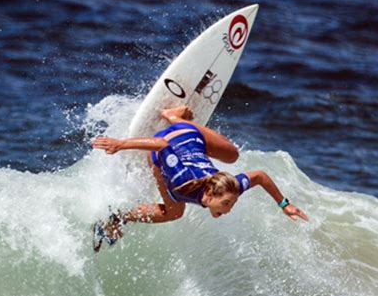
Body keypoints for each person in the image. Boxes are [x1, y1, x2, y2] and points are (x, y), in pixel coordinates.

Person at [91, 106, 308, 250]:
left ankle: (120, 217)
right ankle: (173, 116)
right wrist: (121, 144)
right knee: (176, 207)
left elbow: (260, 176)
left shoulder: (229, 187)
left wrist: (284, 204)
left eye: (231, 204)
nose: (229, 208)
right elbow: (162, 145)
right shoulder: (181, 179)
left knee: (231, 156)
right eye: (226, 204)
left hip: (194, 141)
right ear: (210, 193)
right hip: (172, 139)